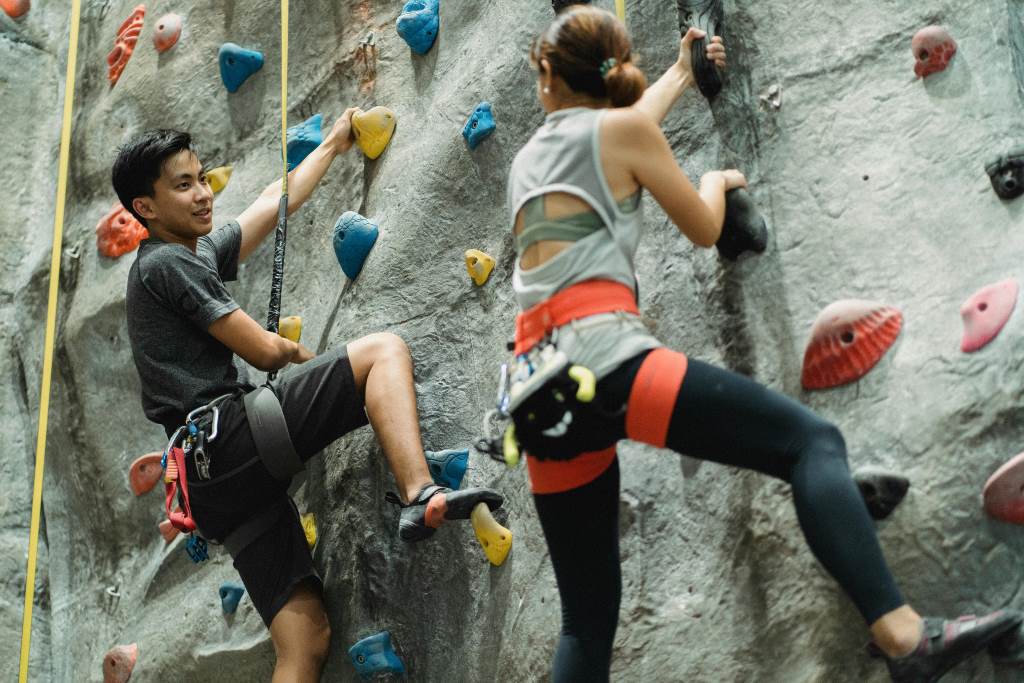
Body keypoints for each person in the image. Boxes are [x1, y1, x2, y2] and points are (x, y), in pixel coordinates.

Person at [506, 7, 1019, 682]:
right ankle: (904, 638)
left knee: (586, 620)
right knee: (809, 443)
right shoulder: (623, 131)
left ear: (548, 76)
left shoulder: (528, 160)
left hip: (537, 394)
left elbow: (619, 130)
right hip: (605, 361)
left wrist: (681, 75)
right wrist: (715, 182)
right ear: (609, 73)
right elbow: (698, 223)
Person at [115, 110, 502, 682]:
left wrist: (333, 144)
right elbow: (264, 352)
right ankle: (420, 491)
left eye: (201, 179)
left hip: (208, 486)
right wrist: (297, 355)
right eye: (183, 185)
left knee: (305, 639)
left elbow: (274, 201)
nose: (202, 195)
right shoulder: (167, 263)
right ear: (144, 208)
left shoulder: (182, 255)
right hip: (227, 443)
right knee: (382, 354)